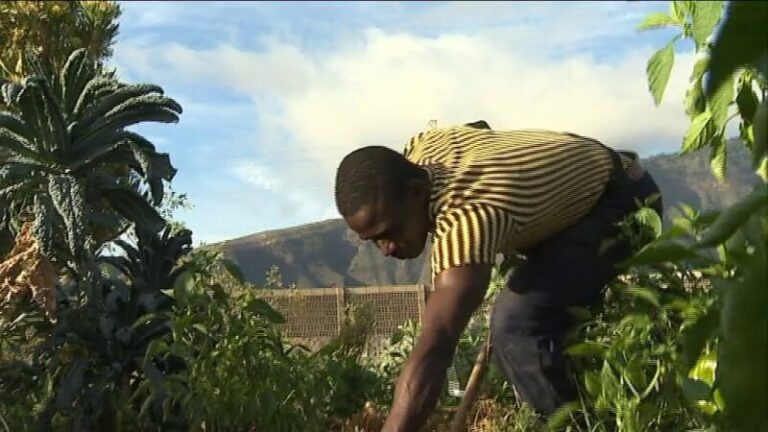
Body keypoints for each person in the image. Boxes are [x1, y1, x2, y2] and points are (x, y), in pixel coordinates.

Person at [333, 121, 663, 431]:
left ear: (416, 192)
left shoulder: (469, 219)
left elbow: (437, 343)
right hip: (596, 183)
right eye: (373, 240)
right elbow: (479, 128)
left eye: (388, 232)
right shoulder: (426, 147)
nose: (385, 249)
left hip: (623, 202)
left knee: (518, 322)